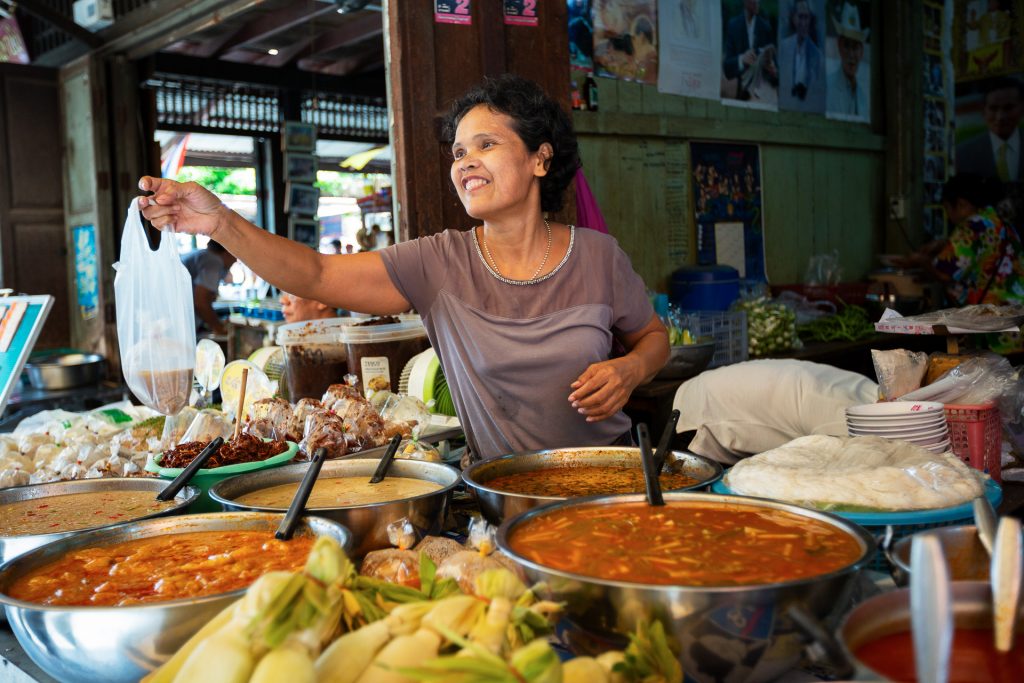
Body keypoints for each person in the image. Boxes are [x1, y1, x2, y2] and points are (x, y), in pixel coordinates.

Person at [138, 74, 669, 462]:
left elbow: (652, 337)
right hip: (504, 496)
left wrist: (631, 369)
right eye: (458, 151)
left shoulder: (599, 256)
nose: (464, 163)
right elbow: (318, 275)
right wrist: (222, 222)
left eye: (487, 145)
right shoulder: (438, 263)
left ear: (540, 159)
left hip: (612, 478)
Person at [902, 174, 1023, 353]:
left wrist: (920, 261)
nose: (949, 217)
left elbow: (945, 272)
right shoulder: (998, 222)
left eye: (947, 209)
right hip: (1017, 323)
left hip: (995, 330)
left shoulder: (971, 227)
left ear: (961, 204)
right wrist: (942, 244)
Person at [956, 78, 1024, 183]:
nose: (1000, 117)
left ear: (1022, 108)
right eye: (993, 108)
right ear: (983, 111)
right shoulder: (962, 155)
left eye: (1009, 108)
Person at [722, 0, 778, 100]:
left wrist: (772, 68)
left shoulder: (766, 28)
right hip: (740, 96)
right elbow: (727, 68)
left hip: (761, 98)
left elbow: (775, 74)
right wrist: (742, 59)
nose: (757, 1)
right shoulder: (733, 25)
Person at [778, 0, 825, 113]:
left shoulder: (817, 55)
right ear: (794, 19)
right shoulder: (784, 47)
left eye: (806, 18)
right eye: (800, 17)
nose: (803, 23)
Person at [181, 239, 235, 336]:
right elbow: (201, 302)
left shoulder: (201, 255)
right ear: (229, 251)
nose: (235, 260)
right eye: (236, 255)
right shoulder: (213, 261)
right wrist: (220, 329)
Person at [826, 1, 869, 120]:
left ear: (861, 52)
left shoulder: (862, 97)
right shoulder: (829, 88)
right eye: (846, 46)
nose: (851, 54)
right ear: (839, 47)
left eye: (855, 47)